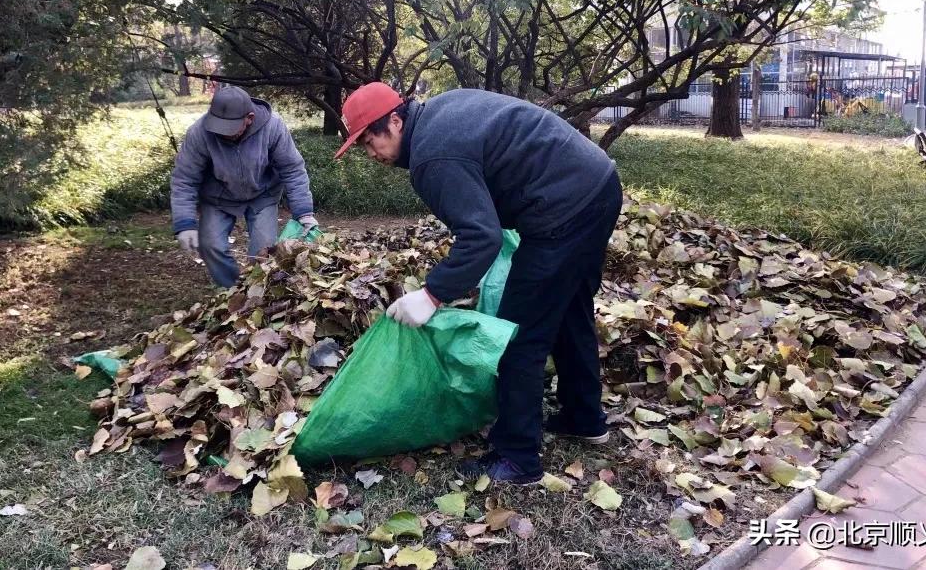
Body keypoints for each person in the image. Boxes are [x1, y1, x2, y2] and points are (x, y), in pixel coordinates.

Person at [334, 83, 622, 484]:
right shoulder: (437, 115)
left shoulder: (433, 158)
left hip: (564, 210)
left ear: (395, 121)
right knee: (570, 310)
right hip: (599, 185)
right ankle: (583, 417)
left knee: (516, 334)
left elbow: (481, 237)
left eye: (370, 141)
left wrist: (432, 294)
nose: (371, 154)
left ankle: (518, 458)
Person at [171, 85, 318, 287]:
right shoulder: (199, 133)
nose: (223, 134)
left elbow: (292, 169)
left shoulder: (272, 127)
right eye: (219, 128)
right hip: (218, 199)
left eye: (229, 129)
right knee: (210, 246)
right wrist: (184, 222)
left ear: (249, 118)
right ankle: (231, 288)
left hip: (262, 195)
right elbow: (184, 178)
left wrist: (304, 212)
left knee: (263, 253)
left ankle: (256, 292)